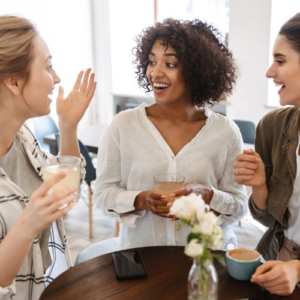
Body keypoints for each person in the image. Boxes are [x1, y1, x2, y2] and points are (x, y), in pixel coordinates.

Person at [94, 19, 247, 250]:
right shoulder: (123, 126)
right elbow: (102, 195)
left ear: (197, 71)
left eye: (170, 64)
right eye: (152, 62)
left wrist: (209, 196)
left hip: (207, 263)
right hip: (145, 262)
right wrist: (141, 199)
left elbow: (239, 206)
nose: (155, 72)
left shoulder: (225, 133)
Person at [0, 15, 96, 300]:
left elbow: (65, 196)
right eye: (48, 66)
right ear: (15, 82)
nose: (57, 79)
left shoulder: (23, 137)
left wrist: (68, 126)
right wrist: (29, 223)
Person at [234, 13, 300, 296]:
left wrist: (297, 269)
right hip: (280, 257)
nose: (269, 72)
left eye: (280, 60)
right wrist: (259, 184)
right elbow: (271, 220)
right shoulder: (274, 127)